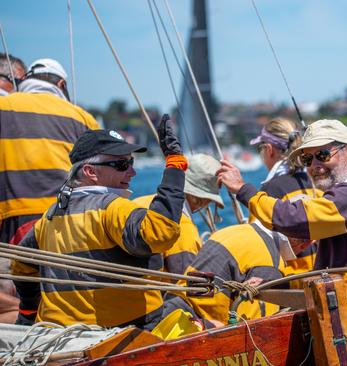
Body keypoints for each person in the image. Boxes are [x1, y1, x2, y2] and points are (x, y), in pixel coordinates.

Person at [11, 118, 187, 330]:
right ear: (90, 172)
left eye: (130, 163)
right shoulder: (111, 208)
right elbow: (160, 233)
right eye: (122, 164)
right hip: (125, 338)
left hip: (59, 338)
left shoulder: (49, 217)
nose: (132, 172)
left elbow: (21, 265)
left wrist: (29, 312)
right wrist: (175, 165)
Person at [218, 119, 347, 299]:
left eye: (323, 155)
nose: (315, 166)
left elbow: (294, 219)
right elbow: (329, 271)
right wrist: (279, 284)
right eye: (308, 159)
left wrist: (243, 190)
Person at [0, 58, 99, 245]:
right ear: (61, 84)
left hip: (10, 223)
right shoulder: (83, 118)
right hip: (66, 220)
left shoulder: (3, 106)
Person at [249, 117, 321, 280]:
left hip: (292, 283)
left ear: (269, 149)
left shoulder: (270, 190)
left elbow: (258, 245)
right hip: (323, 276)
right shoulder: (313, 182)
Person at [132, 153, 225, 275]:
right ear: (204, 199)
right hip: (149, 293)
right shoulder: (183, 228)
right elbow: (185, 285)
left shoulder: (138, 202)